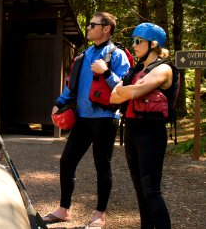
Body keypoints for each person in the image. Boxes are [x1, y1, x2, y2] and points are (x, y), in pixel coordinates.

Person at [43, 12, 130, 228]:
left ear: (107, 28)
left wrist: (106, 71)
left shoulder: (118, 55)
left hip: (105, 119)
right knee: (67, 161)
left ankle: (99, 214)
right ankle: (64, 210)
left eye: (93, 25)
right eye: (89, 25)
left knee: (102, 166)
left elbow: (125, 89)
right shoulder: (84, 55)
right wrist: (59, 102)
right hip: (82, 119)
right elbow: (71, 85)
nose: (88, 28)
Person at [110, 23, 172, 228]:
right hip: (132, 130)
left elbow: (133, 93)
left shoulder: (164, 68)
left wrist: (127, 90)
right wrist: (128, 89)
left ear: (153, 44)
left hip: (151, 132)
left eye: (138, 41)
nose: (134, 46)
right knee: (139, 189)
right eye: (133, 41)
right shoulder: (136, 70)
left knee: (150, 189)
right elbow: (113, 97)